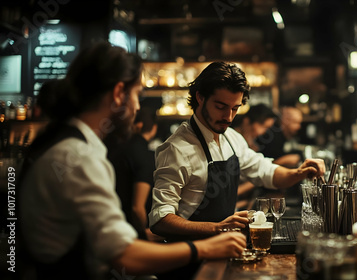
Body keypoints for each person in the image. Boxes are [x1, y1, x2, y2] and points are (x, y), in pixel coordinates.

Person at [19, 42, 246, 280]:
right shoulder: (78, 157)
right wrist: (208, 247)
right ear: (119, 94)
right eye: (138, 94)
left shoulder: (65, 143)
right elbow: (125, 256)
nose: (138, 106)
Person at [149, 62, 325, 241]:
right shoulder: (177, 149)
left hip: (222, 249)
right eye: (220, 107)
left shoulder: (231, 138)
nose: (229, 117)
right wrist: (217, 228)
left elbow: (266, 171)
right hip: (189, 258)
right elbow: (160, 220)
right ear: (200, 97)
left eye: (235, 108)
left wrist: (299, 173)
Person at [106, 107, 162, 242]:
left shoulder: (115, 150)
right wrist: (143, 234)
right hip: (131, 234)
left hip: (113, 224)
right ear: (153, 129)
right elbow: (137, 208)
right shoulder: (145, 155)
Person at [232, 104, 277, 209]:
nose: (263, 132)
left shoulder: (252, 144)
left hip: (242, 201)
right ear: (247, 121)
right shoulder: (231, 142)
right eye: (263, 127)